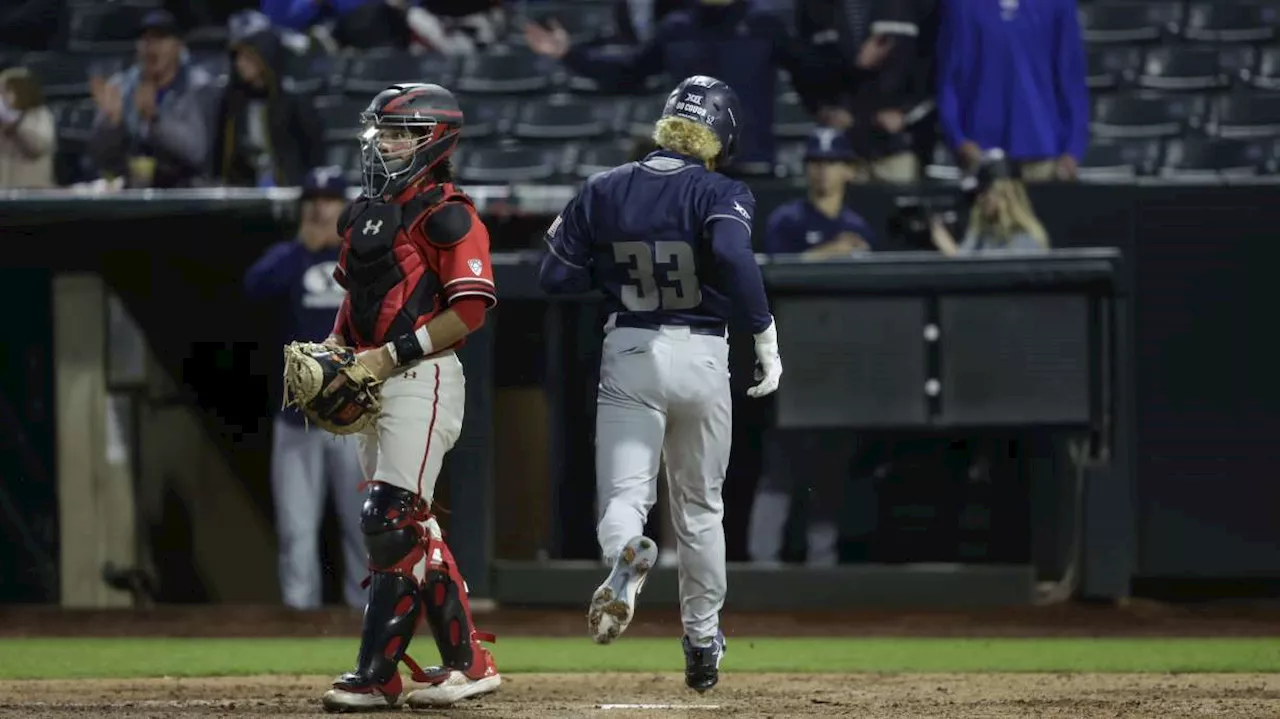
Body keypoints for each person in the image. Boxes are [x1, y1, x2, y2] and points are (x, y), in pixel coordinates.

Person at [538, 75, 783, 693]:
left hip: (630, 347)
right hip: (701, 353)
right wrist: (764, 333)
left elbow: (554, 277)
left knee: (625, 497)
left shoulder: (603, 188)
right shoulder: (720, 189)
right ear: (720, 134)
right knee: (700, 508)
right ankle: (702, 640)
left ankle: (627, 553)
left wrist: (611, 265)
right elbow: (731, 253)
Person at [318, 83, 500, 712]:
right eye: (384, 132)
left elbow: (469, 313)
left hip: (423, 376)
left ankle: (376, 674)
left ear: (435, 139)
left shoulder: (450, 212)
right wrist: (337, 351)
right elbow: (359, 297)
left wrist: (385, 357)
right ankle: (467, 662)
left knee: (388, 517)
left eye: (400, 132)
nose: (385, 142)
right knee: (404, 527)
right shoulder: (364, 211)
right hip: (374, 376)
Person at [244, 167, 366, 611]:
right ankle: (298, 625)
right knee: (296, 530)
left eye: (328, 199)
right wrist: (301, 250)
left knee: (362, 528)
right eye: (312, 199)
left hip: (354, 420)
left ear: (344, 207)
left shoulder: (361, 259)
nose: (319, 208)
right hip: (296, 421)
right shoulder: (288, 257)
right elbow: (254, 287)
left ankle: (366, 625)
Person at [936, 0, 1088, 180]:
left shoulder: (1058, 4)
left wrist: (1073, 148)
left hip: (1043, 149)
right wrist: (958, 139)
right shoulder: (960, 5)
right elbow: (948, 78)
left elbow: (1072, 78)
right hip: (980, 153)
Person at [86, 9, 216, 188]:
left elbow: (196, 152)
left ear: (179, 46)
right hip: (133, 191)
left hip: (185, 193)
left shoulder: (198, 86)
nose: (151, 46)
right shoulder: (122, 86)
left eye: (160, 38)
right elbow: (99, 157)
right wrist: (112, 123)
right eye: (145, 39)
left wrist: (155, 121)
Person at [212, 18, 325, 187]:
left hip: (287, 184)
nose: (239, 64)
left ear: (264, 59)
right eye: (237, 58)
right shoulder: (233, 103)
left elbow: (313, 149)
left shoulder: (292, 101)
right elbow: (223, 151)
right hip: (243, 187)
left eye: (248, 58)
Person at [763, 127, 877, 258]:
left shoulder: (857, 227)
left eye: (832, 162)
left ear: (849, 170)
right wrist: (831, 251)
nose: (823, 170)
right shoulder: (786, 221)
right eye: (815, 162)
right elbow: (776, 271)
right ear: (805, 168)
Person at [931, 150, 1051, 255]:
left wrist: (950, 251)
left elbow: (995, 275)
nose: (980, 200)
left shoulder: (1024, 237)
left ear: (1004, 195)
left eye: (985, 193)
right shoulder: (981, 233)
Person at [0, 66, 56, 189]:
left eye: (6, 91)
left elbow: (38, 147)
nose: (2, 97)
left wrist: (16, 124)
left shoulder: (40, 115)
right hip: (5, 192)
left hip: (32, 191)